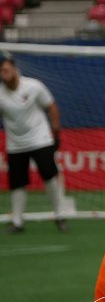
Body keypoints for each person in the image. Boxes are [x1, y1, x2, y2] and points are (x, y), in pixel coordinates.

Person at [0, 50, 66, 233]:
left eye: (6, 68)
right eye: (1, 71)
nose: (3, 72)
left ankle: (60, 215)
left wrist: (56, 133)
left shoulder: (34, 86)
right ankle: (18, 222)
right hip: (15, 145)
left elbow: (51, 107)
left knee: (49, 176)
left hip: (40, 140)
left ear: (14, 68)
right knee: (17, 183)